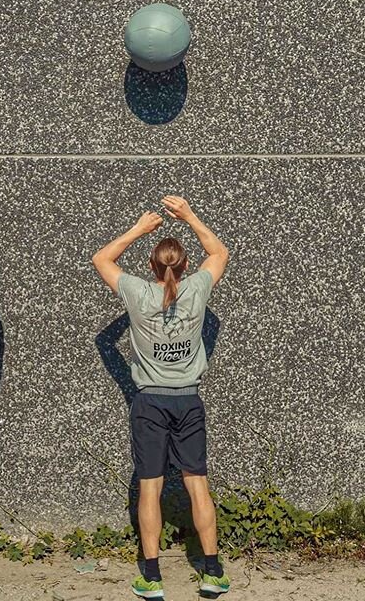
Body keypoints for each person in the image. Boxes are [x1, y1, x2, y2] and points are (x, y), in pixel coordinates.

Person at [92, 196, 230, 598]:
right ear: (185, 267)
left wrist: (139, 228)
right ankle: (212, 570)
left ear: (152, 267)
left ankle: (152, 577)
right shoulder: (197, 289)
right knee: (197, 485)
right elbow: (218, 252)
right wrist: (190, 215)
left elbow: (102, 259)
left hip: (150, 402)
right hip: (188, 400)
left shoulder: (137, 293)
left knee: (149, 486)